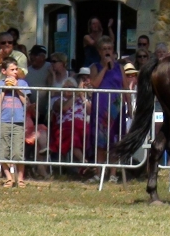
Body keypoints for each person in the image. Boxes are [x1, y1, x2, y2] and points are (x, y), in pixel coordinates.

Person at [88, 36, 129, 184]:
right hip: (101, 107)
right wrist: (105, 67)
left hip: (116, 107)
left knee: (115, 141)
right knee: (100, 141)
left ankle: (113, 173)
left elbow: (125, 88)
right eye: (104, 49)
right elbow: (95, 84)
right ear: (99, 51)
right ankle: (98, 173)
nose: (107, 52)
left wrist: (129, 107)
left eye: (109, 49)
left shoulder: (120, 68)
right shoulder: (95, 67)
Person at [0, 58, 30, 188]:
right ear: (4, 71)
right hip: (4, 121)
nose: (15, 72)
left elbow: (26, 102)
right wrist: (4, 89)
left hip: (18, 121)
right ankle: (9, 177)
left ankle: (20, 178)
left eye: (16, 69)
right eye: (12, 70)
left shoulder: (23, 83)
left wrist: (17, 88)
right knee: (3, 151)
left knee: (18, 152)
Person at [49, 77, 89, 165]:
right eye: (65, 87)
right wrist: (76, 94)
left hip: (82, 127)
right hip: (65, 127)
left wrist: (82, 96)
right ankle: (83, 162)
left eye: (71, 87)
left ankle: (90, 164)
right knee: (72, 135)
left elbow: (90, 111)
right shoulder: (58, 100)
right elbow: (64, 108)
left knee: (92, 133)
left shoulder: (80, 99)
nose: (68, 89)